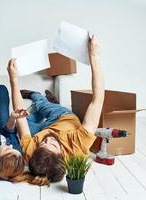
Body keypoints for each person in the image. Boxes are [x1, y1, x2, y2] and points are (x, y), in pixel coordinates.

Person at [7, 35, 105, 186]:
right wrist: (94, 56)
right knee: (37, 112)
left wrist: (13, 80)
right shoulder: (77, 146)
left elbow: (19, 115)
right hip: (65, 117)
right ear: (62, 156)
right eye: (52, 144)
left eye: (44, 143)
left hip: (50, 122)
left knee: (25, 119)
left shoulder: (31, 153)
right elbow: (97, 99)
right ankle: (42, 98)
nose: (49, 139)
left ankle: (39, 98)